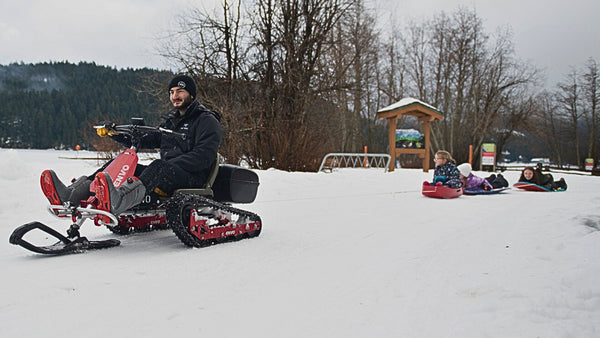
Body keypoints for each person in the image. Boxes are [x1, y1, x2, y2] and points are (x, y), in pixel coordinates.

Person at [40, 75, 224, 215]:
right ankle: (71, 196)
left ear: (191, 94)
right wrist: (115, 133)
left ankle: (119, 200)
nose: (175, 96)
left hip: (193, 177)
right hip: (168, 173)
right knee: (116, 164)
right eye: (172, 92)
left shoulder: (206, 121)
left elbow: (203, 157)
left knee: (158, 167)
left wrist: (171, 165)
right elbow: (145, 140)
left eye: (180, 91)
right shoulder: (171, 121)